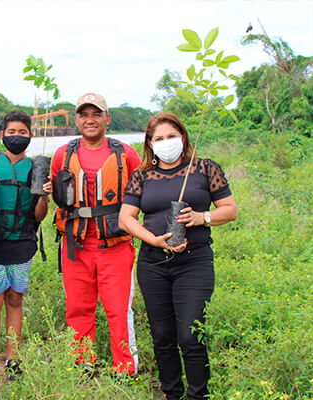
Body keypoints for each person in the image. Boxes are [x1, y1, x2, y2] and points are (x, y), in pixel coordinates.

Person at [119, 113, 237, 399]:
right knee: (162, 337)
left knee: (190, 335)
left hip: (193, 263)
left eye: (171, 136)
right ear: (150, 143)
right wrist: (153, 240)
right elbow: (126, 218)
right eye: (158, 138)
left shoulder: (205, 169)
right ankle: (172, 393)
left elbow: (229, 210)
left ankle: (199, 395)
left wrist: (201, 217)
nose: (165, 142)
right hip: (153, 264)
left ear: (183, 137)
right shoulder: (142, 175)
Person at [51, 93, 141, 374]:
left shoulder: (126, 153)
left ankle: (125, 370)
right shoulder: (63, 153)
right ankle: (81, 365)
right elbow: (56, 191)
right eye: (84, 115)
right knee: (78, 309)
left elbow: (142, 193)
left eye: (96, 114)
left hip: (115, 245)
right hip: (75, 246)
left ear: (107, 118)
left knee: (118, 311)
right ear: (76, 120)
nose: (90, 120)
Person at [0, 110, 52, 380]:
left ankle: (13, 360)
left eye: (22, 132)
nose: (17, 137)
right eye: (12, 132)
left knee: (14, 299)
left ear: (30, 135)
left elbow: (39, 216)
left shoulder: (36, 167)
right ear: (2, 135)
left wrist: (44, 196)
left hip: (22, 243)